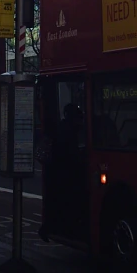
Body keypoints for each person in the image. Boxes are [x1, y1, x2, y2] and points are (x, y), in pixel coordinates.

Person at [38, 103, 85, 242]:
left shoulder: (61, 128)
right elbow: (72, 154)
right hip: (65, 173)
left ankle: (49, 227)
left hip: (57, 172)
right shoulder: (70, 131)